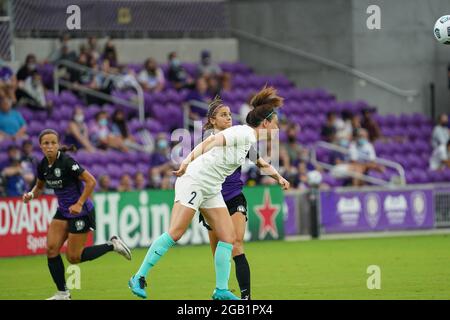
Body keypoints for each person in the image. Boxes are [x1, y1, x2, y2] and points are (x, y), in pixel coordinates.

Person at [128, 86, 290, 300]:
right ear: (267, 122)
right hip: (195, 180)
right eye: (276, 122)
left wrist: (279, 177)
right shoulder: (242, 132)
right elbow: (211, 141)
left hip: (212, 188)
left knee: (228, 237)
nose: (277, 127)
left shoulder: (248, 139)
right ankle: (138, 277)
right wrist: (186, 161)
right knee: (175, 232)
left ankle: (220, 290)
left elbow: (260, 163)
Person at [198, 96, 291, 299]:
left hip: (233, 196)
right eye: (224, 115)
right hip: (212, 199)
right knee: (218, 251)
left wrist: (278, 177)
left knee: (236, 243)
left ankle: (245, 298)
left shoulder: (241, 138)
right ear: (213, 120)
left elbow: (260, 162)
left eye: (230, 115)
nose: (229, 118)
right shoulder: (208, 142)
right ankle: (221, 290)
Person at [22, 129, 132, 300]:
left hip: (81, 212)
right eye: (46, 143)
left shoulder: (67, 162)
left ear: (58, 145)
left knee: (74, 257)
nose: (50, 146)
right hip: (64, 211)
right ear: (41, 146)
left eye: (53, 143)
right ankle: (63, 293)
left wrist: (79, 203)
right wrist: (30, 195)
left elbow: (91, 181)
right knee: (51, 249)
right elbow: (39, 187)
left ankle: (112, 245)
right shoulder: (43, 165)